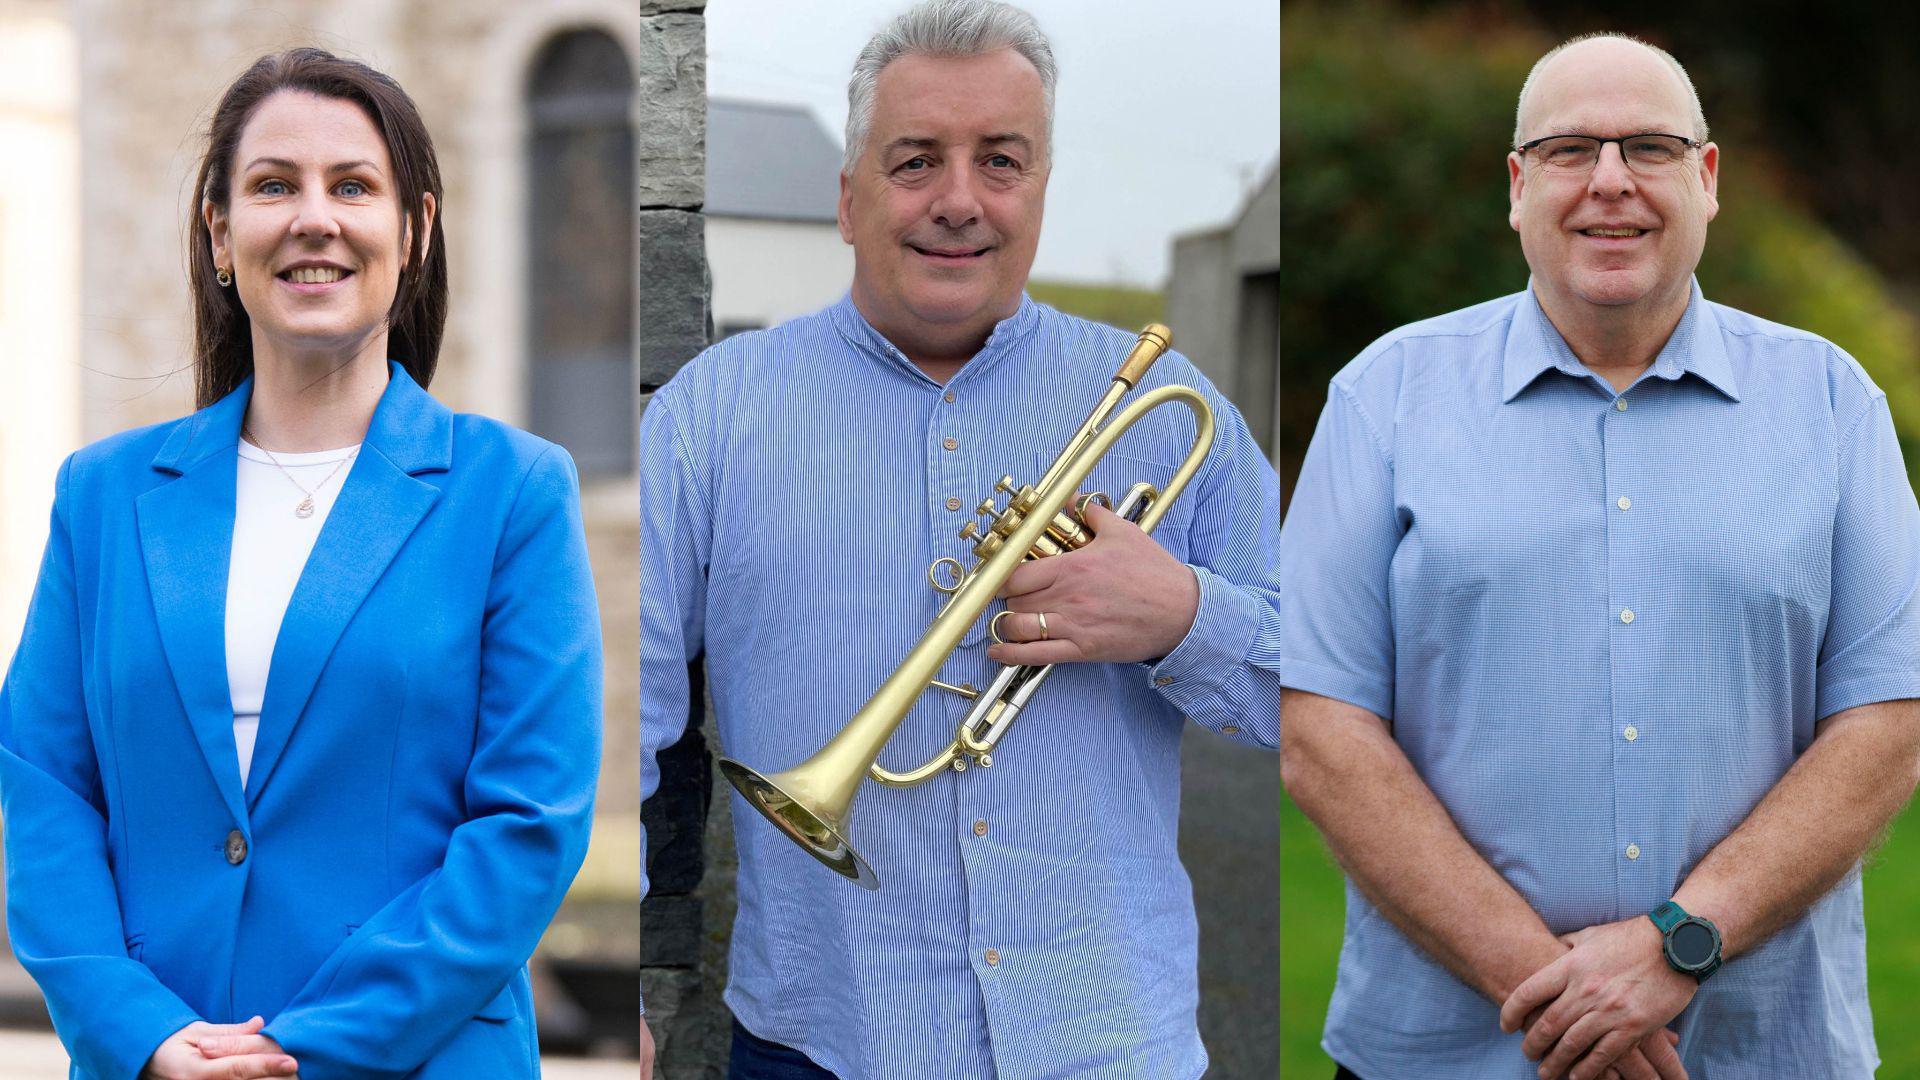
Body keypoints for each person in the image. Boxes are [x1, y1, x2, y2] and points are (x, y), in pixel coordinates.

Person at [637, 0, 1281, 1076]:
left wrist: (1181, 616)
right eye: (915, 161)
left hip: (1109, 1039)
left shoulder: (1166, 401)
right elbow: (613, 716)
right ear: (848, 200)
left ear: (1038, 192)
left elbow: (1328, 695)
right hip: (826, 1040)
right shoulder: (713, 412)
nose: (959, 201)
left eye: (1001, 161)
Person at [1280, 31, 1920, 1080]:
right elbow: (1322, 728)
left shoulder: (1834, 403)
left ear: (1706, 180)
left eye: (1651, 148)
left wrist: (1678, 944)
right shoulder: (1384, 397)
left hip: (1760, 1056)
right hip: (1449, 1057)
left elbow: (1889, 724)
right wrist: (1561, 997)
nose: (1611, 183)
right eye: (1572, 150)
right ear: (1519, 185)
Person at [0, 49, 602, 1080]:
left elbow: (528, 822)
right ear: (221, 234)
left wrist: (302, 1046)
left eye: (352, 186)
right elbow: (43, 786)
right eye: (273, 185)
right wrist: (138, 1030)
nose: (313, 218)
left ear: (413, 231)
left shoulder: (513, 492)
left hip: (421, 1059)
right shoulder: (100, 498)